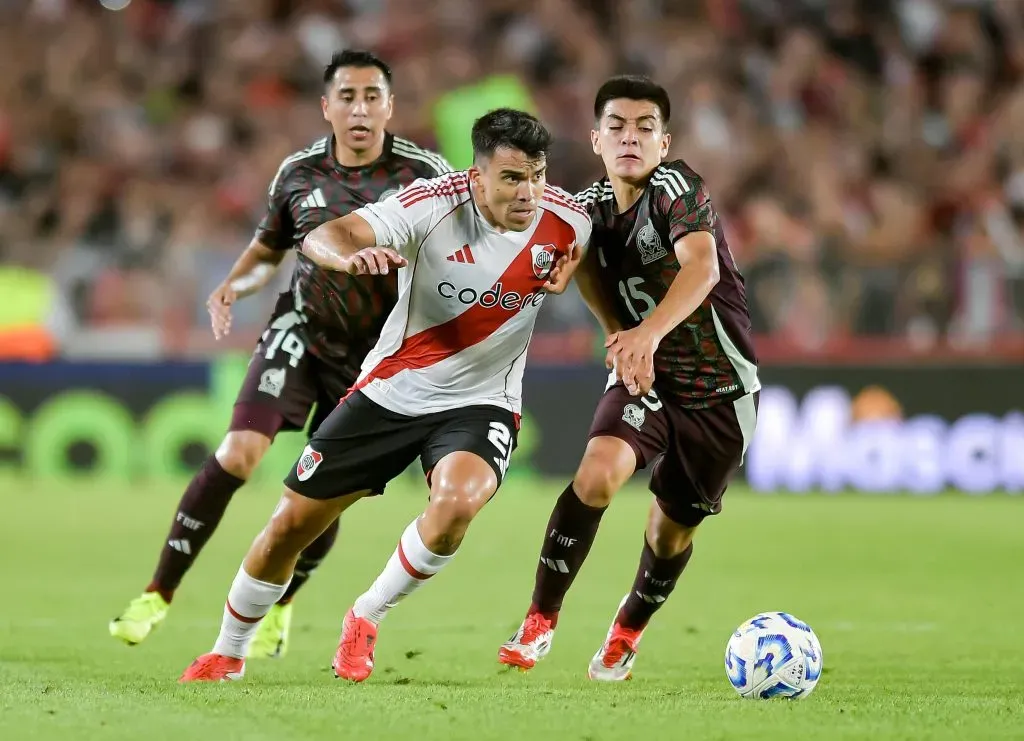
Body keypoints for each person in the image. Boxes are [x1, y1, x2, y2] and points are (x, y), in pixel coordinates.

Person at [178, 107, 590, 683]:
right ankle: (228, 651)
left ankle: (366, 615)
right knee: (290, 526)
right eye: (513, 178)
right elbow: (326, 235)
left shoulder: (570, 220)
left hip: (483, 400)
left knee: (457, 504)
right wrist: (349, 258)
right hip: (391, 391)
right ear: (478, 178)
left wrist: (606, 312)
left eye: (538, 176)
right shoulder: (432, 204)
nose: (529, 193)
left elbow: (599, 268)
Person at [109, 50, 452, 659]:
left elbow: (465, 246)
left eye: (372, 96)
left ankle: (283, 601)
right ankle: (157, 593)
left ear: (390, 107)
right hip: (302, 329)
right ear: (326, 106)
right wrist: (230, 286)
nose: (360, 109)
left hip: (377, 353)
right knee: (238, 453)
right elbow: (268, 249)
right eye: (347, 97)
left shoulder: (425, 175)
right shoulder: (298, 172)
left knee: (324, 487)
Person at [497, 75, 760, 681]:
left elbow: (702, 268)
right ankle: (540, 619)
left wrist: (647, 333)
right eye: (616, 127)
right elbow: (583, 268)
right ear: (596, 139)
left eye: (645, 128)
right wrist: (619, 332)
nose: (630, 138)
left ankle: (627, 629)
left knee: (669, 534)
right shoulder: (587, 209)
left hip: (721, 390)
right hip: (648, 378)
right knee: (597, 473)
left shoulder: (677, 188)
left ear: (664, 143)